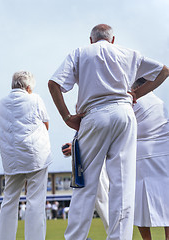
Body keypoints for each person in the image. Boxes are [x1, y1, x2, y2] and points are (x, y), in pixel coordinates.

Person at [48, 24, 169, 240]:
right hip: (124, 114)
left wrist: (67, 117)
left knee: (85, 184)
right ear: (113, 40)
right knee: (123, 185)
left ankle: (75, 237)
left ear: (91, 40)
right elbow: (164, 71)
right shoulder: (128, 52)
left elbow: (54, 84)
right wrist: (136, 94)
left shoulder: (80, 52)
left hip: (93, 114)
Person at [0, 71, 52, 240]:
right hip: (35, 156)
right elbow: (46, 123)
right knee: (35, 201)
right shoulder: (35, 99)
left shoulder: (0, 103)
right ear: (29, 87)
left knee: (9, 200)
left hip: (11, 157)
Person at [132, 79, 169, 240]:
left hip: (143, 155)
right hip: (163, 154)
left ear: (138, 87)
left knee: (140, 202)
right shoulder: (160, 102)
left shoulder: (134, 101)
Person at [62, 143, 109, 234]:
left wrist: (77, 147)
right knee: (77, 209)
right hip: (84, 164)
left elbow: (97, 139)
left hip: (96, 163)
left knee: (104, 206)